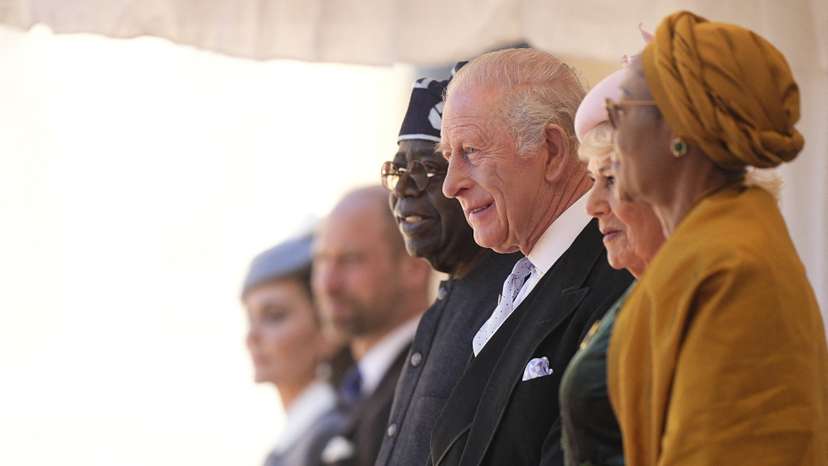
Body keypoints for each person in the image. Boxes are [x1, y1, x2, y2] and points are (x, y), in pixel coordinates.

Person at [606, 11, 828, 466]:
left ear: (678, 131)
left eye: (621, 109)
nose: (613, 133)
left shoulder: (734, 268)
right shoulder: (708, 244)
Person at [431, 48, 634, 466]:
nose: (450, 185)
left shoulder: (621, 270)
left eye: (470, 150)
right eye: (449, 157)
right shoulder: (521, 277)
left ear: (554, 151)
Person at [374, 68, 521, 466]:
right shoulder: (451, 294)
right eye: (398, 170)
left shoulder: (511, 301)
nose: (404, 188)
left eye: (425, 169)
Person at [558, 65, 666, 466]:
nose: (592, 206)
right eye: (592, 181)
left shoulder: (715, 289)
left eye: (610, 178)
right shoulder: (650, 291)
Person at [312, 186, 432, 466]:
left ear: (415, 267)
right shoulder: (356, 385)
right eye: (322, 260)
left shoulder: (430, 385)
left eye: (351, 260)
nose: (328, 284)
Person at [241, 233, 345, 466]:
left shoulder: (333, 436)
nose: (252, 337)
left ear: (326, 330)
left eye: (274, 316)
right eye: (250, 319)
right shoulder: (298, 437)